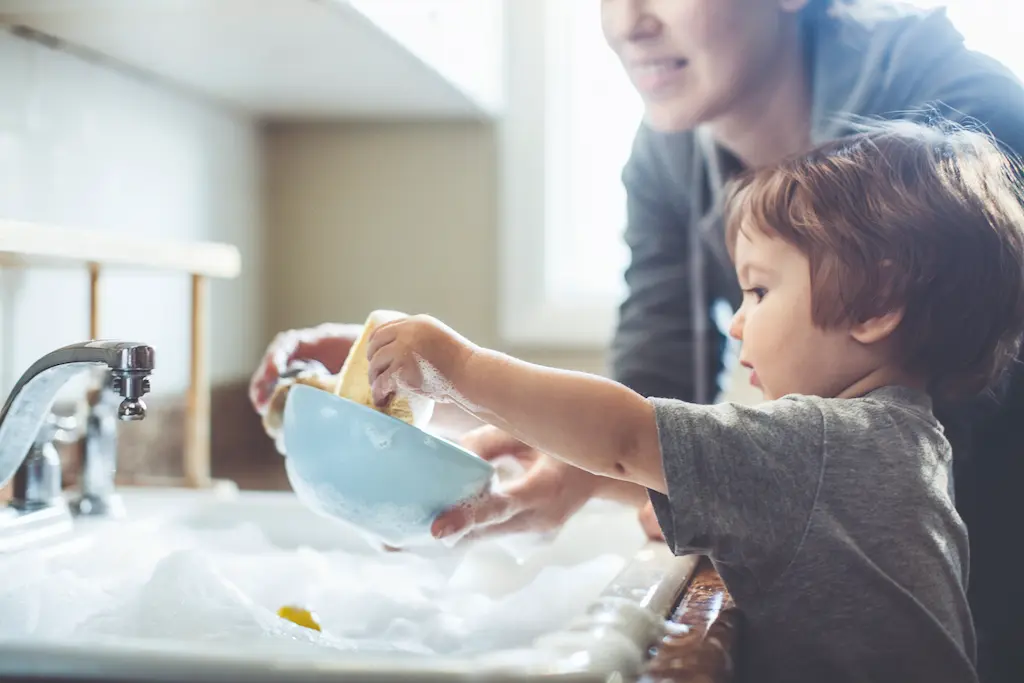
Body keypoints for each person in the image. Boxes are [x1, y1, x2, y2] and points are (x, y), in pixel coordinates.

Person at [250, 1, 1024, 679]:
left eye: (759, 288)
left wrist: (461, 364)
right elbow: (645, 407)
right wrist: (443, 400)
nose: (627, 19)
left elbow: (627, 430)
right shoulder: (669, 151)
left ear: (883, 295)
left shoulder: (966, 135)